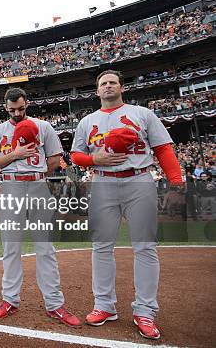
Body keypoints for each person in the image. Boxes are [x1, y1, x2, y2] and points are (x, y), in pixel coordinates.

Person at [71, 69, 184, 340]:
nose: (108, 86)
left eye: (112, 82)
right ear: (97, 91)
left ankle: (145, 310)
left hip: (139, 179)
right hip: (102, 182)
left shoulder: (142, 114)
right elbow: (76, 155)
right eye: (103, 84)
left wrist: (176, 179)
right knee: (101, 246)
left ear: (122, 87)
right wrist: (94, 161)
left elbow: (163, 148)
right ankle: (104, 306)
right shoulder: (87, 121)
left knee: (145, 246)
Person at [0, 87, 81, 327]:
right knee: (11, 248)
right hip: (10, 188)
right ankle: (9, 299)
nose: (17, 113)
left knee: (45, 248)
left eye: (20, 108)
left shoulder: (44, 127)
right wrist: (15, 155)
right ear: (5, 107)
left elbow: (54, 160)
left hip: (38, 186)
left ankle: (54, 303)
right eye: (12, 109)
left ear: (27, 103)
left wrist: (37, 172)